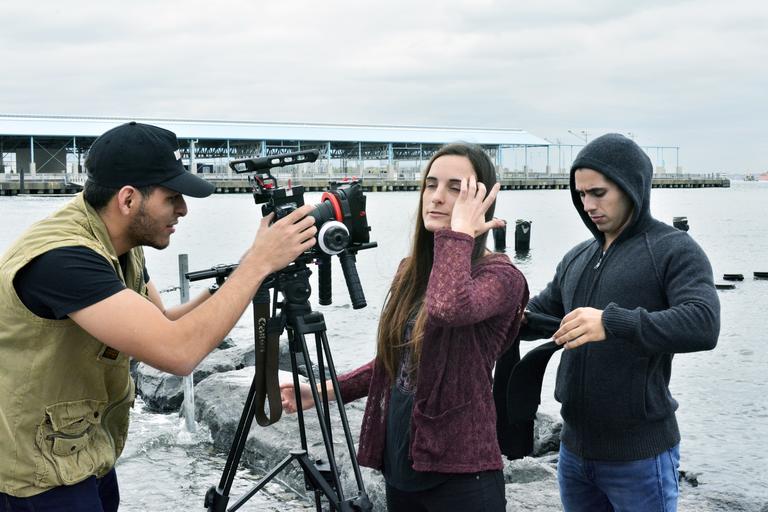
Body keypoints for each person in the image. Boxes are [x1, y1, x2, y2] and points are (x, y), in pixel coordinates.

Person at [0, 122, 317, 511]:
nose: (183, 209)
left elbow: (163, 322)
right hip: (34, 476)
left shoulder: (120, 240)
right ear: (128, 199)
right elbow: (177, 352)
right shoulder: (64, 258)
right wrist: (258, 264)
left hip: (82, 450)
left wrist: (243, 272)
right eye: (172, 197)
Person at [281, 142, 529, 512]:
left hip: (463, 474)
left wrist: (459, 234)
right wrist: (324, 392)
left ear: (481, 201)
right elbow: (394, 364)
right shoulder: (411, 270)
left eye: (456, 188)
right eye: (431, 184)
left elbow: (449, 308)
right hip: (402, 465)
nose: (437, 197)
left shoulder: (501, 277)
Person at [524, 133, 720, 511]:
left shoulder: (673, 249)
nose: (588, 205)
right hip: (573, 451)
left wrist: (611, 323)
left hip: (640, 456)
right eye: (581, 194)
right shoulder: (578, 256)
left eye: (598, 193)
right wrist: (506, 314)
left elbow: (703, 322)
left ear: (632, 187)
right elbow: (542, 314)